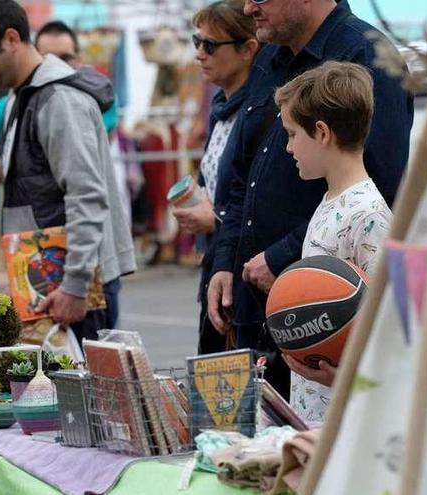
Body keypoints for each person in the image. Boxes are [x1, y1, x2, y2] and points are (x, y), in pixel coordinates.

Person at [205, 0, 413, 397]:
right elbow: (243, 177)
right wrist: (224, 260)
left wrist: (283, 257)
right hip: (257, 313)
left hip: (317, 329)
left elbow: (383, 181)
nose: (248, 8)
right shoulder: (270, 57)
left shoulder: (369, 57)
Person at [0, 0, 136, 342]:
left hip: (77, 290)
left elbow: (87, 196)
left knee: (88, 393)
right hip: (48, 283)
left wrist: (75, 285)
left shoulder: (59, 100)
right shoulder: (18, 100)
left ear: (10, 39)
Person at [274, 61, 391, 423]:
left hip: (347, 413)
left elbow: (387, 324)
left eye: (292, 134)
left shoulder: (368, 213)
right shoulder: (330, 200)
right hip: (313, 407)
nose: (288, 147)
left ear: (322, 133)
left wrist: (344, 377)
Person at [172, 0, 261, 355]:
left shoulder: (257, 112)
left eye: (210, 45)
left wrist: (215, 217)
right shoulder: (221, 109)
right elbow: (219, 183)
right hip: (215, 263)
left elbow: (252, 195)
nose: (199, 54)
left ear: (247, 49)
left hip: (241, 270)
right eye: (196, 42)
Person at [0, 20, 119, 184]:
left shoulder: (101, 98)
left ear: (78, 60)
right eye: (48, 59)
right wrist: (11, 182)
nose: (57, 66)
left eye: (65, 58)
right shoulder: (16, 105)